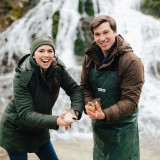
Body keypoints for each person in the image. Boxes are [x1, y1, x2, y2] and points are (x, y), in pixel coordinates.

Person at [0, 35, 84, 160]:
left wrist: (75, 111)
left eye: (50, 51)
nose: (46, 55)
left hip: (40, 129)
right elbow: (25, 114)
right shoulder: (22, 76)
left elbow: (75, 89)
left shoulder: (57, 69)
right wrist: (57, 120)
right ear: (33, 54)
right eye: (41, 51)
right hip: (16, 131)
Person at [80, 15, 144, 160]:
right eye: (97, 34)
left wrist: (105, 114)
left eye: (106, 32)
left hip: (123, 129)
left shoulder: (132, 62)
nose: (102, 38)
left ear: (115, 32)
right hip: (100, 126)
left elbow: (130, 101)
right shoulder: (89, 58)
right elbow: (85, 87)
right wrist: (90, 104)